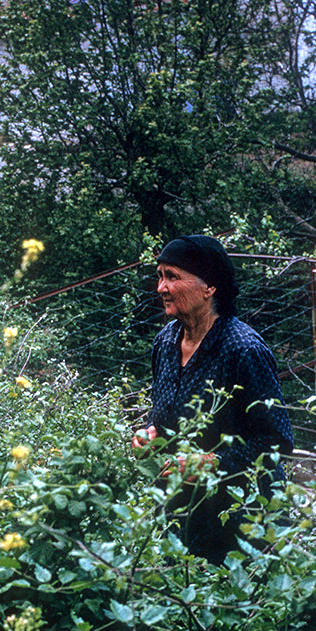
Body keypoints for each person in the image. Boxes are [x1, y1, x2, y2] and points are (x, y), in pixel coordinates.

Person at [133, 235, 293, 564]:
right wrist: (150, 433)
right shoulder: (166, 342)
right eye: (160, 275)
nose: (161, 287)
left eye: (173, 276)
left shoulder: (243, 350)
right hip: (183, 515)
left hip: (242, 520)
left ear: (210, 287)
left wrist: (212, 463)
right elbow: (163, 413)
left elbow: (277, 441)